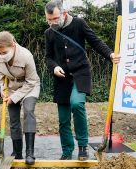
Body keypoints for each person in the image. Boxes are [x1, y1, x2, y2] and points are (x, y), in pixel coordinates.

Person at [44, 0, 120, 160]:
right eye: (48, 20)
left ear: (64, 14)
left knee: (77, 104)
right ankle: (66, 152)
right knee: (63, 118)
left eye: (54, 19)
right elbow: (48, 57)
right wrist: (54, 67)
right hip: (62, 78)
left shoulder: (78, 23)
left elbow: (95, 41)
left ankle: (83, 147)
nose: (51, 23)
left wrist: (110, 54)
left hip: (80, 73)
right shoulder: (49, 33)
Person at [0, 31, 40, 165]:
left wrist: (15, 97)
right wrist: (3, 88)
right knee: (13, 118)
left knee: (28, 111)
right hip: (12, 87)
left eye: (4, 53)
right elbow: (0, 73)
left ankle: (30, 153)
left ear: (13, 45)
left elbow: (31, 81)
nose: (1, 55)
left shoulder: (26, 56)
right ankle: (17, 152)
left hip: (29, 87)